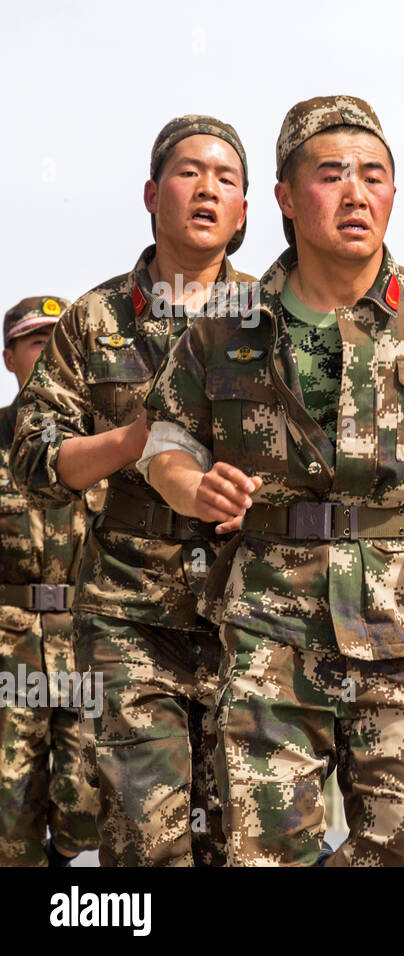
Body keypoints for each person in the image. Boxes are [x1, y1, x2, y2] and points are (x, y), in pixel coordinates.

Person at [142, 95, 404, 866]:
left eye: (374, 176)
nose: (356, 193)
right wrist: (190, 488)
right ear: (284, 197)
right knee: (264, 853)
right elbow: (166, 440)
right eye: (331, 175)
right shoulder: (224, 324)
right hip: (268, 627)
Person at [9, 117, 253, 866]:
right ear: (152, 193)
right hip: (129, 617)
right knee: (148, 843)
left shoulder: (277, 314)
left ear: (245, 210)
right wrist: (129, 441)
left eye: (226, 179)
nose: (207, 188)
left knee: (247, 841)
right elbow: (31, 458)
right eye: (188, 173)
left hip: (257, 616)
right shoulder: (96, 320)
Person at [0, 296, 99, 867]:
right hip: (9, 644)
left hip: (87, 638)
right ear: (10, 356)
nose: (45, 354)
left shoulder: (101, 445)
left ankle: (63, 865)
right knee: (10, 809)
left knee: (88, 798)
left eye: (56, 342)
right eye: (36, 341)